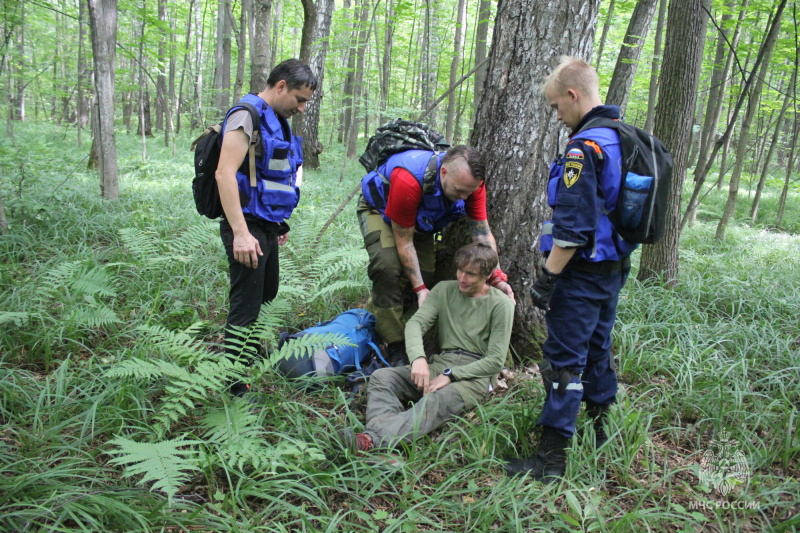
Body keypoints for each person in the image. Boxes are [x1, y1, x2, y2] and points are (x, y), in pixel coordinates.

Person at [504, 56, 638, 482]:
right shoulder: (625, 138)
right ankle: (601, 432)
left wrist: (547, 278)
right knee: (598, 347)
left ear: (573, 95)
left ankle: (551, 460)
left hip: (580, 273)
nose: (556, 115)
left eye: (556, 106)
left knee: (563, 362)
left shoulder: (585, 148)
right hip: (614, 269)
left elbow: (572, 229)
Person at [339, 242, 515, 453]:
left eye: (471, 274)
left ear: (486, 276)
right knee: (382, 377)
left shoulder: (501, 304)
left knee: (435, 400)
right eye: (460, 270)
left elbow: (495, 360)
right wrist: (418, 359)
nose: (462, 277)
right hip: (441, 362)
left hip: (475, 375)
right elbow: (415, 324)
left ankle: (371, 441)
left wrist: (452, 375)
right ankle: (380, 445)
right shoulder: (444, 290)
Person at [357, 145, 514, 365]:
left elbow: (482, 235)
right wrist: (420, 289)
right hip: (380, 210)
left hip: (419, 219)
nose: (465, 197)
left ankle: (392, 316)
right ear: (444, 172)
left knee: (427, 274)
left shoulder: (472, 185)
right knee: (388, 267)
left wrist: (497, 276)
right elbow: (404, 242)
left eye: (469, 192)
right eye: (460, 191)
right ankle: (394, 343)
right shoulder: (409, 179)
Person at [215, 59, 317, 396]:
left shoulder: (279, 120)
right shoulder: (247, 115)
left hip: (267, 224)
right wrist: (241, 234)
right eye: (300, 100)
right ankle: (234, 383)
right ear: (281, 86)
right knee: (246, 304)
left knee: (267, 295)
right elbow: (224, 173)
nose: (301, 108)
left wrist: (278, 222)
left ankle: (248, 353)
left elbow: (273, 175)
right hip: (246, 225)